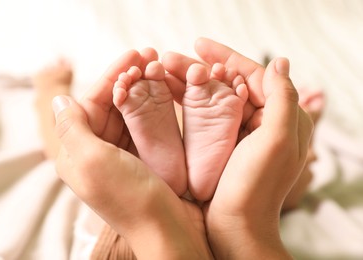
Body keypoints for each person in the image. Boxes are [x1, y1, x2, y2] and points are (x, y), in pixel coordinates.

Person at [34, 38, 318, 258]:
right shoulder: (252, 214)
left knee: (74, 152)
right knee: (277, 181)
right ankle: (232, 159)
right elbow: (286, 183)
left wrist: (50, 90)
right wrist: (301, 139)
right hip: (239, 245)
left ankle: (166, 166)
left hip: (131, 231)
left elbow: (60, 151)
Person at [112, 60, 248, 201]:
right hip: (222, 198)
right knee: (179, 114)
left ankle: (166, 167)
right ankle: (197, 168)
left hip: (151, 202)